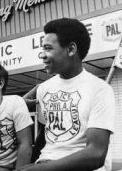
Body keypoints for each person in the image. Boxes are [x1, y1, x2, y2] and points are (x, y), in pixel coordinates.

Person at [21, 18, 115, 171]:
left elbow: (96, 154)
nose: (42, 55)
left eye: (48, 48)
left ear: (71, 49)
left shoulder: (100, 89)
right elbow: (45, 136)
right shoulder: (44, 89)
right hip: (43, 163)